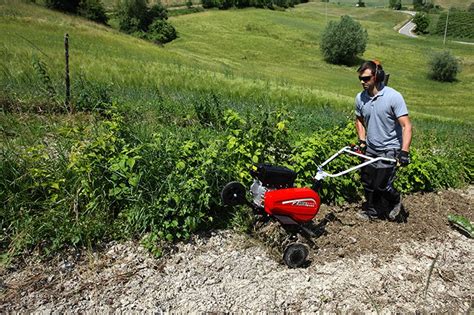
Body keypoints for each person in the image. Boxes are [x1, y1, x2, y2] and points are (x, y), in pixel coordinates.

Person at [354, 60, 412, 221]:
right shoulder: (360, 98)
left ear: (377, 76)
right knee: (367, 182)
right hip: (371, 148)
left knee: (381, 184)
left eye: (366, 78)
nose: (362, 82)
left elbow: (406, 125)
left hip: (390, 148)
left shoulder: (393, 97)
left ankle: (395, 200)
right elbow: (359, 120)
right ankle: (373, 212)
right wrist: (362, 141)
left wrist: (404, 151)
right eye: (360, 78)